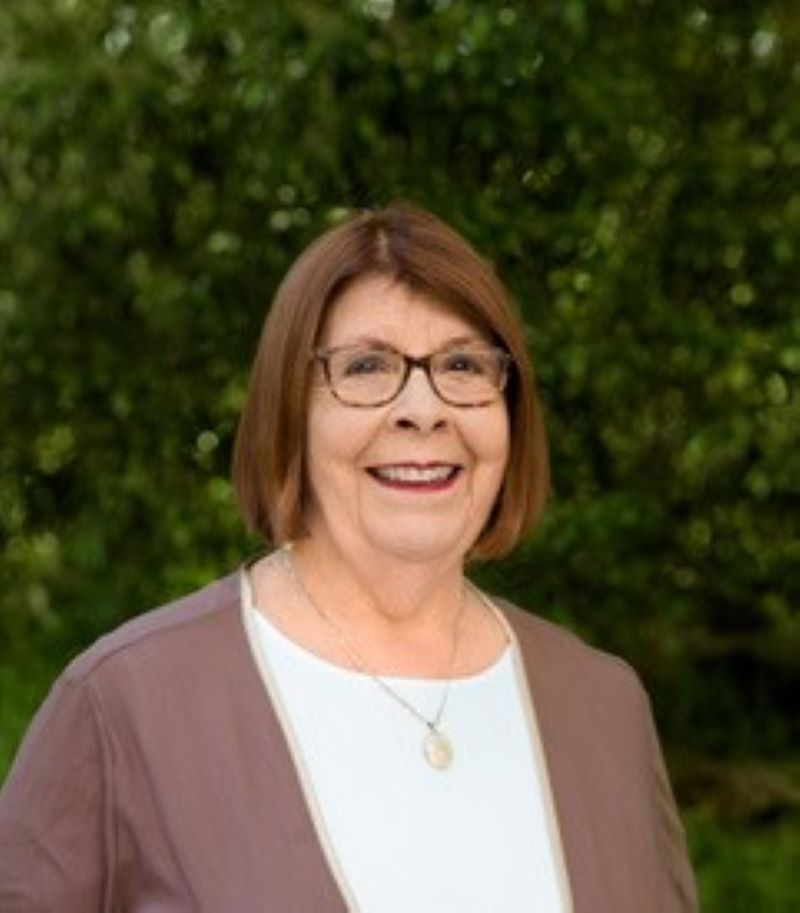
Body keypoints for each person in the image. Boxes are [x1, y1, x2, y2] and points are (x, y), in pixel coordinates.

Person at [0, 204, 697, 911]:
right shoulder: (124, 707)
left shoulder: (604, 706)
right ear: (289, 410)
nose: (423, 409)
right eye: (367, 366)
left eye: (462, 364)